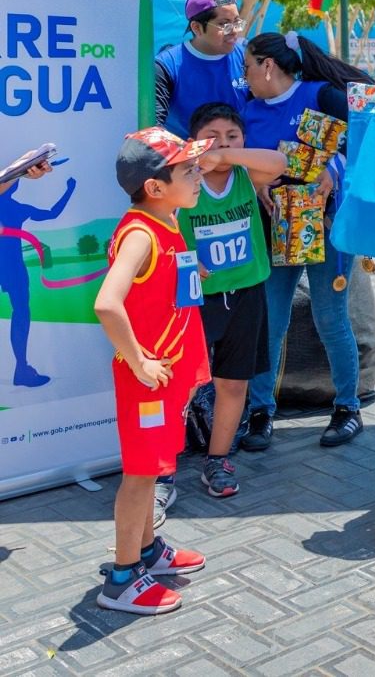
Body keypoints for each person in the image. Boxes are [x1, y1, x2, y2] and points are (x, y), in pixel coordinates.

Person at [93, 128, 213, 615]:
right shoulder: (141, 233)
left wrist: (189, 272)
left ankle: (146, 552)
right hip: (148, 379)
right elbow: (107, 303)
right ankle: (122, 579)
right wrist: (140, 360)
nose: (199, 174)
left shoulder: (166, 220)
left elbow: (160, 282)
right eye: (188, 169)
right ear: (155, 187)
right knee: (141, 477)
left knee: (153, 468)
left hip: (166, 375)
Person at [240, 31, 373, 451]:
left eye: (248, 67)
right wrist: (255, 182)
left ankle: (347, 408)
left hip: (327, 226)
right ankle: (260, 413)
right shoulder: (248, 110)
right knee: (270, 323)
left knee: (330, 318)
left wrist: (334, 168)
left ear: (268, 65)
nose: (244, 77)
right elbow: (244, 160)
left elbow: (369, 135)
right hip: (275, 227)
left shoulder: (324, 96)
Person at [176, 103, 286, 499]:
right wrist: (187, 262)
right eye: (212, 137)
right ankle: (162, 470)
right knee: (182, 384)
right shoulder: (184, 180)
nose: (222, 144)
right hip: (196, 298)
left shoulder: (245, 173)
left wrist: (224, 154)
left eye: (232, 135)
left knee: (233, 383)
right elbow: (163, 226)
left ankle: (217, 459)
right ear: (192, 143)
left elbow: (278, 162)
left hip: (246, 292)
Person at [0, 159, 75, 387]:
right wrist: (69, 190)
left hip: (12, 265)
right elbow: (51, 213)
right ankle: (21, 367)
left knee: (22, 311)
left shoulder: (17, 208)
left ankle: (22, 368)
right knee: (21, 311)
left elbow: (51, 214)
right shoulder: (17, 208)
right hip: (12, 265)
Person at [154, 0, 249, 138]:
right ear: (197, 28)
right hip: (187, 158)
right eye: (224, 25)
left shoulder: (248, 57)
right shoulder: (166, 66)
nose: (234, 31)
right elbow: (155, 129)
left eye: (237, 22)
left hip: (239, 157)